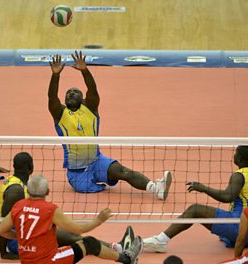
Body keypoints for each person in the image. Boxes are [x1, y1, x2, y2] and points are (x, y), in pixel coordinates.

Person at [47, 51, 171, 200]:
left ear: (83, 98)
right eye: (68, 93)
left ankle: (156, 188)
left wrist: (85, 71)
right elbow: (52, 97)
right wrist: (55, 75)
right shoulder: (60, 114)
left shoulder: (90, 108)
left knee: (122, 171)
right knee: (90, 196)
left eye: (75, 92)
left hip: (97, 161)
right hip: (76, 172)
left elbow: (93, 90)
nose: (71, 93)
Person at [0, 152, 135, 259]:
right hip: (24, 241)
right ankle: (118, 249)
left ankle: (117, 246)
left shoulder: (19, 183)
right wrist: (4, 252)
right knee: (75, 237)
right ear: (31, 167)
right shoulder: (16, 191)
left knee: (70, 233)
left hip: (30, 232)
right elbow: (2, 222)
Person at [0, 175, 143, 264]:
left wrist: (20, 237)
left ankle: (121, 252)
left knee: (68, 243)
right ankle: (127, 258)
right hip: (49, 263)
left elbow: (0, 230)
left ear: (28, 190)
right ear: (47, 191)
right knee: (89, 243)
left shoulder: (18, 206)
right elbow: (78, 229)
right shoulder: (49, 209)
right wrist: (99, 220)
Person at [143, 145, 248, 252]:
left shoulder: (239, 176)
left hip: (239, 227)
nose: (234, 155)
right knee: (219, 218)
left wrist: (204, 188)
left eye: (235, 153)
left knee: (195, 210)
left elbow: (227, 196)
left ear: (239, 158)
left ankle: (161, 240)